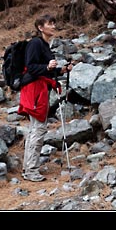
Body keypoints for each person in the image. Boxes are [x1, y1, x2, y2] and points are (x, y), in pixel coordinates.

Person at [17, 14, 73, 182]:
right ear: (40, 27)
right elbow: (32, 67)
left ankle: (28, 168)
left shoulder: (44, 45)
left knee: (35, 128)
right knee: (39, 128)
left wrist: (60, 71)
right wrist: (47, 66)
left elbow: (44, 70)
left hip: (38, 90)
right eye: (50, 24)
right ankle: (31, 170)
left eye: (54, 23)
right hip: (34, 90)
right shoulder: (35, 43)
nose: (53, 26)